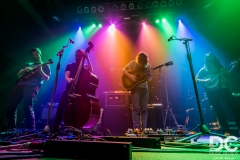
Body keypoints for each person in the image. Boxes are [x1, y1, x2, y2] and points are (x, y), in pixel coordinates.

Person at [6, 48, 51, 130]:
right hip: (20, 85)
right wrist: (25, 69)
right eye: (33, 55)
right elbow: (18, 75)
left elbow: (46, 78)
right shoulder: (28, 64)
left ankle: (31, 130)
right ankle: (11, 129)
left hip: (32, 86)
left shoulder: (45, 65)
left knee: (27, 106)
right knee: (11, 106)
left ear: (40, 54)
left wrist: (40, 70)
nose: (34, 56)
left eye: (36, 54)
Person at [195, 53, 239, 135]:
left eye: (211, 57)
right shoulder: (204, 69)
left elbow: (230, 76)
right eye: (208, 57)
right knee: (218, 111)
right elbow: (196, 79)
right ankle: (226, 131)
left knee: (235, 108)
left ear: (214, 58)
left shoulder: (220, 68)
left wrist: (234, 67)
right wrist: (205, 81)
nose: (210, 58)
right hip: (211, 92)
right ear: (205, 60)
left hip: (223, 89)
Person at [52, 49, 93, 132]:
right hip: (69, 89)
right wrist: (69, 79)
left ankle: (76, 128)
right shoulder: (70, 65)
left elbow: (91, 71)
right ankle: (55, 128)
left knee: (77, 109)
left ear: (82, 56)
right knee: (60, 107)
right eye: (76, 55)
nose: (77, 57)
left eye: (79, 55)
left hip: (80, 92)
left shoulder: (84, 67)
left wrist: (87, 58)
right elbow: (66, 76)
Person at [122, 52, 153, 132]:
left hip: (144, 89)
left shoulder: (148, 66)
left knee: (144, 109)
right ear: (138, 60)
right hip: (135, 89)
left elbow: (149, 79)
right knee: (135, 109)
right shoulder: (133, 63)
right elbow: (123, 70)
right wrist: (130, 77)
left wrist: (150, 75)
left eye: (144, 63)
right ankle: (136, 128)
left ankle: (144, 129)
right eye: (141, 63)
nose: (142, 64)